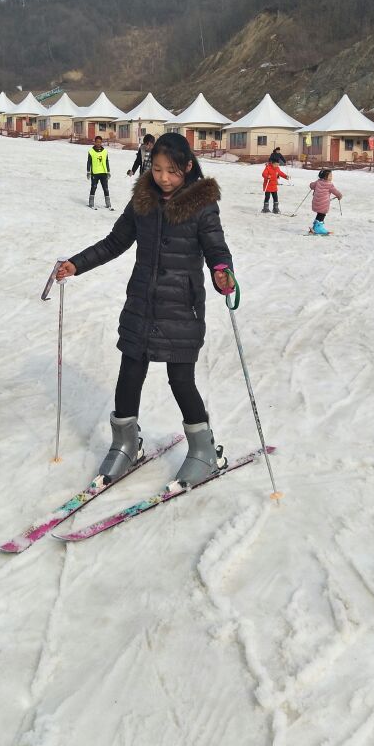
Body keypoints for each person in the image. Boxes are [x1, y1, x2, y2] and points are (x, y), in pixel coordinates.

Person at [55, 132, 234, 490]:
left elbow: (217, 248)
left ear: (187, 166)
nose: (163, 178)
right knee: (129, 373)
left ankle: (204, 451)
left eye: (171, 170)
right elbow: (115, 242)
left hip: (181, 310)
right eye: (156, 169)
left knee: (181, 381)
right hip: (142, 306)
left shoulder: (201, 205)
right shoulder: (143, 201)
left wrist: (222, 272)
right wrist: (76, 264)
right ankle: (125, 442)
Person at [309, 168, 342, 235]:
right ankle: (318, 229)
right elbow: (335, 191)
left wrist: (313, 185)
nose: (331, 177)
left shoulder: (318, 182)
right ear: (325, 177)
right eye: (330, 176)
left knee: (319, 214)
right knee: (322, 214)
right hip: (324, 204)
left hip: (316, 202)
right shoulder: (329, 185)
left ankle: (315, 227)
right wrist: (339, 196)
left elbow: (311, 185)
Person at [86, 133, 112, 209]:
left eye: (100, 142)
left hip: (103, 173)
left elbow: (107, 161)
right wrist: (88, 171)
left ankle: (108, 204)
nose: (98, 143)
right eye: (97, 142)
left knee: (106, 188)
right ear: (95, 142)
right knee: (93, 187)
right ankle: (91, 203)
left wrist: (108, 171)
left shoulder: (105, 151)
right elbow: (89, 162)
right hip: (95, 173)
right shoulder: (91, 151)